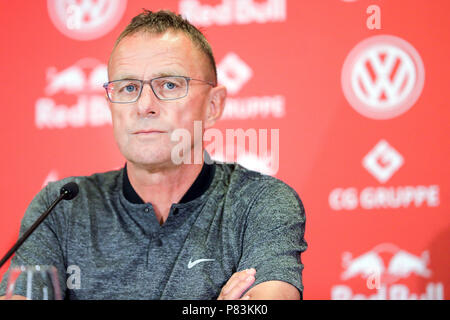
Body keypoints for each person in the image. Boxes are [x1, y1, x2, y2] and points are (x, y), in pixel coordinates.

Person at [0, 9, 307, 300]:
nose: (144, 105)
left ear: (213, 105)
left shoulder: (259, 201)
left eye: (169, 84)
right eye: (128, 88)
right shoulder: (61, 208)